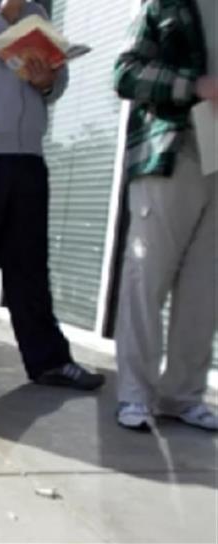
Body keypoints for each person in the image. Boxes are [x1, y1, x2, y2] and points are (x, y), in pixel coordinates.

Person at [0, 0, 104, 389]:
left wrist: (45, 81)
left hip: (27, 155)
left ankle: (48, 360)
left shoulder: (38, 14)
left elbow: (57, 82)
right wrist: (4, 17)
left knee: (29, 264)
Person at [112, 0, 217, 431]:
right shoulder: (164, 5)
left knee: (204, 292)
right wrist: (196, 85)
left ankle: (183, 397)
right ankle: (135, 395)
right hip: (170, 156)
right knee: (146, 281)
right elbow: (126, 74)